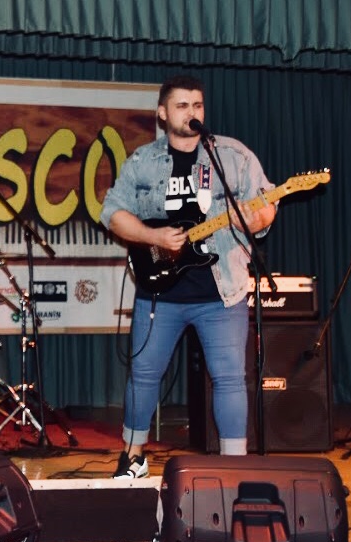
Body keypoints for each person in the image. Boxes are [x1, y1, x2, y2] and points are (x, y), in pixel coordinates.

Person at [100, 74, 277, 479]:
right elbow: (112, 212)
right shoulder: (143, 161)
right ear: (162, 113)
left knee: (230, 378)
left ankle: (234, 467)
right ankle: (133, 458)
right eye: (182, 106)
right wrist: (153, 236)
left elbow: (265, 205)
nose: (192, 112)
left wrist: (257, 217)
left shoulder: (232, 156)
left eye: (197, 105)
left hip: (222, 291)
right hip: (159, 293)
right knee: (144, 375)